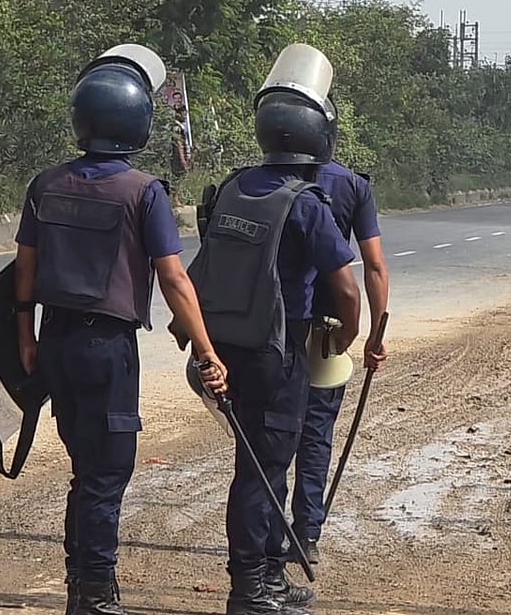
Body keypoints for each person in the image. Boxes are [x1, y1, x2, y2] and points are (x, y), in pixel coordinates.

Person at [12, 44, 228, 615]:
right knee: (108, 472)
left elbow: (24, 272)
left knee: (87, 470)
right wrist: (207, 351)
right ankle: (93, 596)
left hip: (54, 342)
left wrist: (27, 340)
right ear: (138, 122)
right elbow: (176, 280)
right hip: (106, 349)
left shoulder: (45, 184)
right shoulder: (143, 191)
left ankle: (83, 586)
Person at [186, 43, 362, 615]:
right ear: (319, 136)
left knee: (258, 465)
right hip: (276, 353)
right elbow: (347, 287)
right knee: (262, 470)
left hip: (227, 347)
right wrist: (347, 334)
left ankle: (266, 574)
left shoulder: (234, 185)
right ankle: (250, 589)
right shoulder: (307, 202)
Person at [290, 154, 389, 565]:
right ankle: (306, 535)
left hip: (272, 328)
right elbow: (375, 266)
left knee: (268, 434)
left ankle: (261, 536)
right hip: (328, 332)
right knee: (315, 434)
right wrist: (371, 336)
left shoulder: (261, 179)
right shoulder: (353, 187)